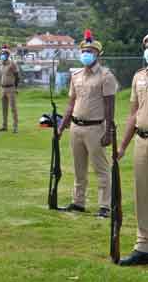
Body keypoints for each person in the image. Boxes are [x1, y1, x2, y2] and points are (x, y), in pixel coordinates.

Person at [58, 30, 118, 217]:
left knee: (101, 168)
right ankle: (78, 201)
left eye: (91, 51)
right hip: (76, 127)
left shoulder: (106, 76)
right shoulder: (76, 76)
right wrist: (62, 126)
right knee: (78, 168)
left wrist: (108, 131)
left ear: (98, 54)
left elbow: (110, 106)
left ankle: (105, 206)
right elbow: (71, 103)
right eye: (84, 51)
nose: (86, 54)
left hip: (95, 127)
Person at [117, 34, 148, 266]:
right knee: (142, 193)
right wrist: (122, 146)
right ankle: (143, 245)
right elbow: (133, 114)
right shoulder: (139, 77)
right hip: (142, 140)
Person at [0, 44, 21, 133]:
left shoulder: (12, 64)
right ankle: (4, 126)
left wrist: (16, 87)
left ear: (8, 55)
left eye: (4, 54)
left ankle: (15, 126)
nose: (2, 55)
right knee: (4, 108)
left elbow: (17, 76)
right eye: (2, 53)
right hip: (3, 88)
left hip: (11, 88)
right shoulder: (2, 64)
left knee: (13, 108)